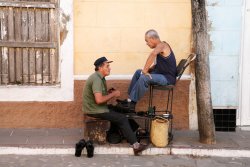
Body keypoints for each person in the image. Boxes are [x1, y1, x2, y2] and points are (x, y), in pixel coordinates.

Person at [82, 56, 147, 156]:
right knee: (122, 118)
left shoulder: (99, 78)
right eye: (107, 66)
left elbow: (98, 95)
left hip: (98, 107)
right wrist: (113, 94)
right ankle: (135, 146)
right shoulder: (97, 80)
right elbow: (99, 100)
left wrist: (108, 92)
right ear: (100, 68)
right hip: (95, 110)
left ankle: (133, 131)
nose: (109, 68)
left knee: (120, 110)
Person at [118, 29, 177, 111]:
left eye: (147, 41)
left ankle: (132, 104)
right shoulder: (160, 47)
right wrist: (149, 69)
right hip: (161, 74)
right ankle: (129, 99)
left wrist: (145, 70)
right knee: (138, 72)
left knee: (144, 77)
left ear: (153, 38)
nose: (147, 43)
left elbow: (153, 54)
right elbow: (159, 64)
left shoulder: (162, 45)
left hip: (167, 78)